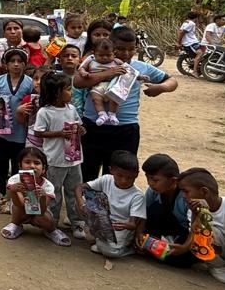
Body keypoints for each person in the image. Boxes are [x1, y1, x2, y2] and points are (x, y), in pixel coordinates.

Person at [74, 25, 176, 180]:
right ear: (110, 46)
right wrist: (108, 73)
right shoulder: (95, 63)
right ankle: (87, 196)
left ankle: (113, 196)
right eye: (120, 49)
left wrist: (161, 88)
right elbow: (78, 82)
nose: (126, 53)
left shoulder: (141, 67)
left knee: (118, 177)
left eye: (131, 49)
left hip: (125, 129)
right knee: (87, 172)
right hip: (93, 126)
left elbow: (172, 80)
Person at [32, 71, 85, 238]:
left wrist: (81, 130)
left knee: (74, 191)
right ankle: (52, 223)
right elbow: (38, 132)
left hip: (74, 158)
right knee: (54, 192)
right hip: (55, 160)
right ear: (57, 93)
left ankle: (76, 222)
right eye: (68, 89)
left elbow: (78, 125)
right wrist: (59, 134)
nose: (71, 92)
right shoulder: (45, 112)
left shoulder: (71, 109)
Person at [0, 47, 35, 202]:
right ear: (6, 64)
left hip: (21, 130)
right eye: (12, 61)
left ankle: (15, 195)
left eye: (19, 61)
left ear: (24, 64)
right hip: (2, 129)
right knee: (0, 161)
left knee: (18, 163)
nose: (16, 64)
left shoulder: (29, 83)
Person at [0, 146, 70, 246]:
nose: (32, 166)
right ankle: (16, 224)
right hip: (21, 211)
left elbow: (41, 211)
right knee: (16, 208)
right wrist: (13, 191)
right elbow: (19, 204)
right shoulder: (14, 180)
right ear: (20, 166)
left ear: (43, 169)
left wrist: (42, 196)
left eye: (37, 163)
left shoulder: (48, 186)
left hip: (40, 213)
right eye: (27, 162)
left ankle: (51, 230)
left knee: (46, 219)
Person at [136, 154, 196, 269]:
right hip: (164, 230)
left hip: (185, 232)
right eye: (148, 178)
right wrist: (139, 232)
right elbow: (143, 213)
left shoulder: (186, 195)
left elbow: (194, 227)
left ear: (173, 180)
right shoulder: (153, 191)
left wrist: (185, 247)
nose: (150, 183)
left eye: (155, 180)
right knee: (153, 211)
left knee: (180, 258)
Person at [85, 150, 145, 259]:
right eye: (120, 175)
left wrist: (125, 225)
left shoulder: (138, 196)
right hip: (106, 223)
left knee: (110, 252)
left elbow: (132, 224)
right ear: (111, 170)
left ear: (136, 175)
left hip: (121, 228)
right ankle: (103, 244)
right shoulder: (106, 179)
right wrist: (81, 204)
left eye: (129, 178)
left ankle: (128, 248)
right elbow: (80, 188)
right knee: (83, 202)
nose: (123, 180)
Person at [81, 38, 125, 126]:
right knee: (96, 99)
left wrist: (140, 76)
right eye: (101, 55)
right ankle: (102, 114)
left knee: (115, 99)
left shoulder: (117, 62)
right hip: (98, 86)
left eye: (108, 55)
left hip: (112, 87)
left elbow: (128, 70)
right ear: (94, 54)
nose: (105, 58)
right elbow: (81, 68)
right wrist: (84, 73)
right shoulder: (91, 61)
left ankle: (112, 114)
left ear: (114, 53)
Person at [178, 11, 204, 77]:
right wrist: (178, 43)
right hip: (191, 43)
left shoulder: (186, 22)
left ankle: (199, 68)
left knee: (205, 50)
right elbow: (182, 32)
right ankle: (194, 71)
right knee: (200, 53)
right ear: (196, 18)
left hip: (192, 42)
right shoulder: (191, 24)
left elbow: (180, 31)